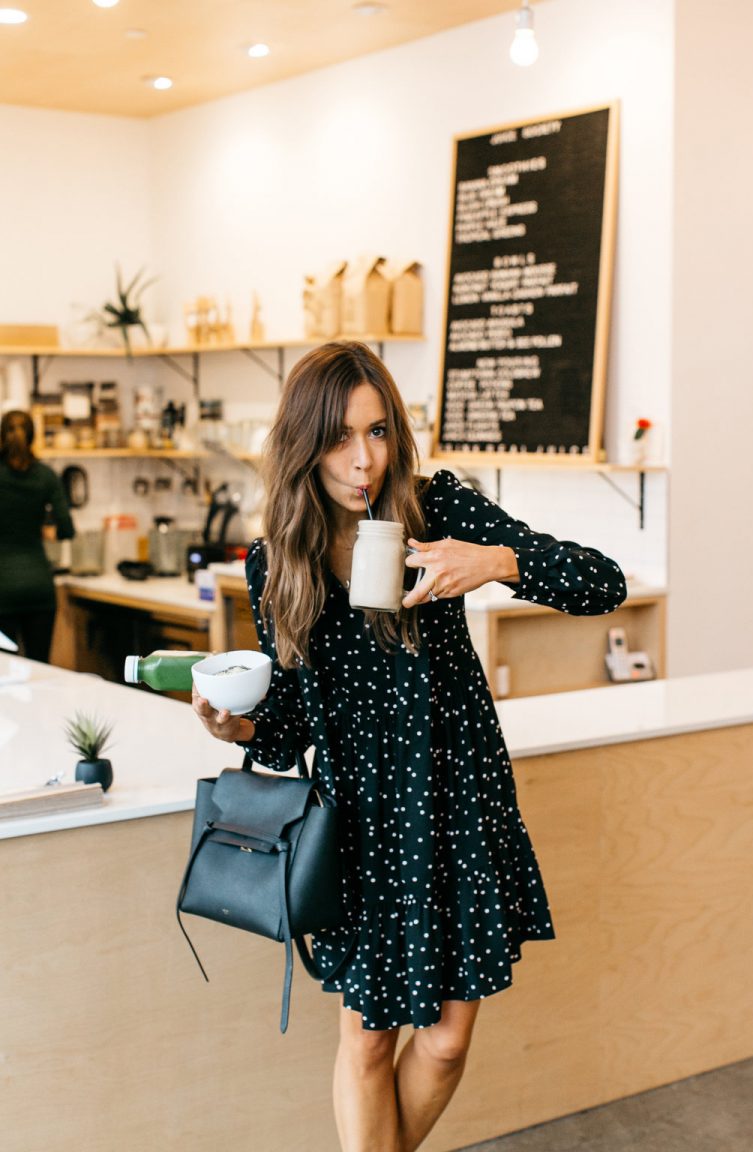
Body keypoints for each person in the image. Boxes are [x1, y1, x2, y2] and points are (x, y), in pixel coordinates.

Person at [192, 341, 627, 1152]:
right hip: (358, 824)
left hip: (458, 803)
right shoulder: (274, 564)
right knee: (367, 1041)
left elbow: (602, 580)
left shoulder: (438, 512)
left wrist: (496, 561)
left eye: (380, 431)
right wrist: (237, 726)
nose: (366, 460)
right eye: (341, 439)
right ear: (303, 445)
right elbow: (289, 730)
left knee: (446, 1042)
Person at [0, 409, 75, 662]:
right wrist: (41, 529)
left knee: (3, 676)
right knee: (40, 670)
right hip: (39, 587)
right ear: (33, 438)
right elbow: (66, 528)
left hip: (3, 590)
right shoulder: (46, 476)